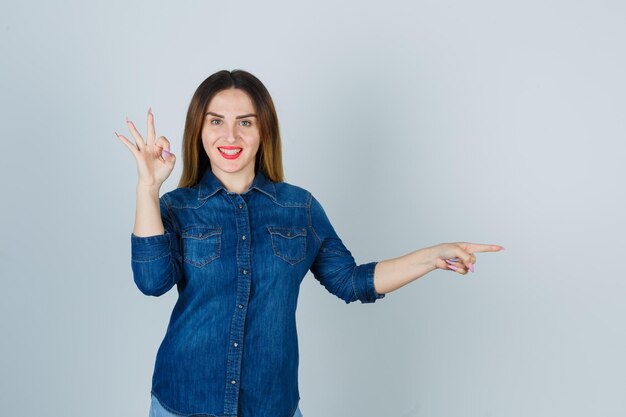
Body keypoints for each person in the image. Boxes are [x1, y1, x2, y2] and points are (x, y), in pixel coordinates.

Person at [114, 69, 504, 417]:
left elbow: (350, 281)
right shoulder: (176, 207)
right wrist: (148, 190)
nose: (230, 135)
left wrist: (431, 256)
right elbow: (151, 282)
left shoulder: (298, 207)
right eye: (216, 121)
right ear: (199, 130)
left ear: (263, 130)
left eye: (245, 122)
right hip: (185, 402)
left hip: (271, 405)